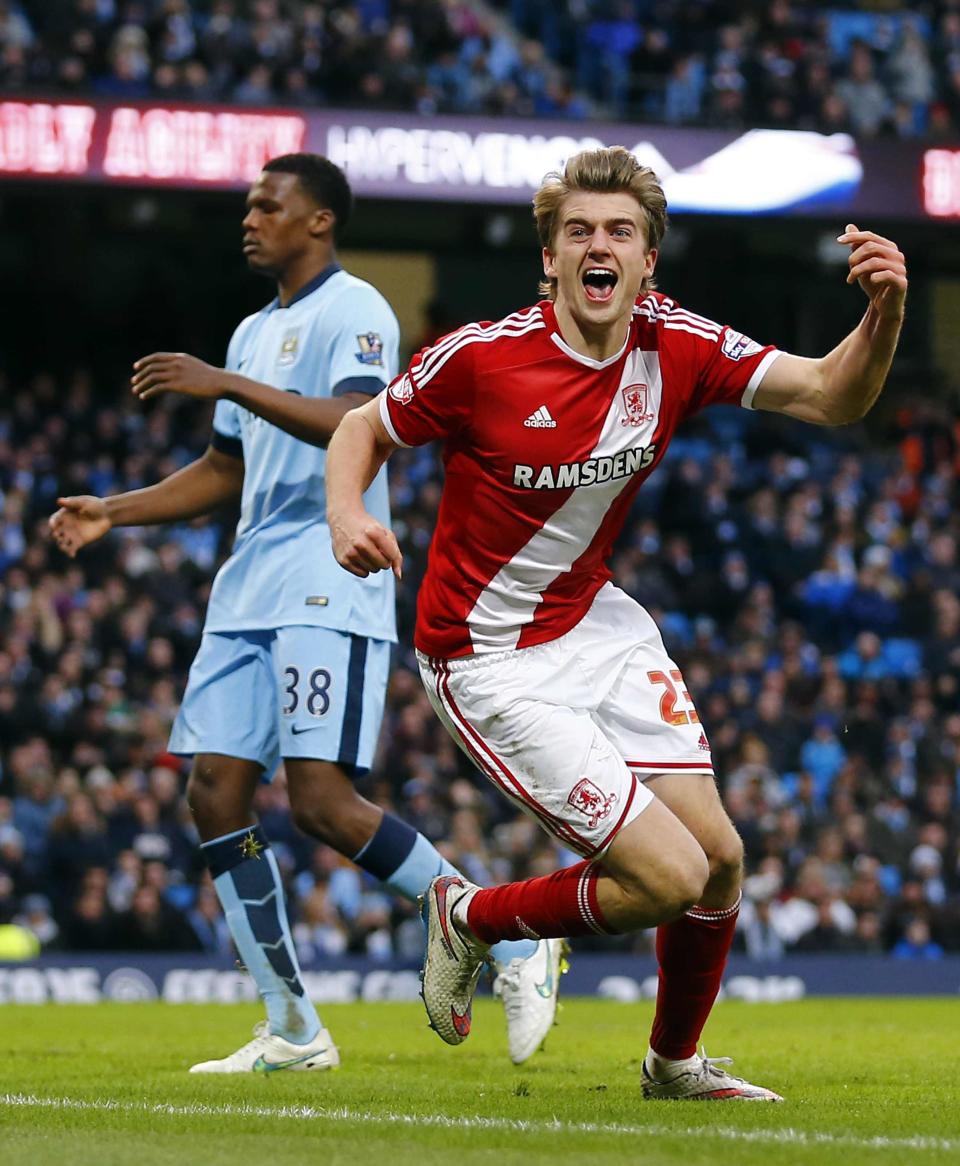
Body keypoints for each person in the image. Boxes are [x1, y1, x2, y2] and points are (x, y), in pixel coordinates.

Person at [326, 146, 908, 1099]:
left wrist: (882, 315)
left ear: (648, 262)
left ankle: (673, 1066)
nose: (601, 246)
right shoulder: (483, 358)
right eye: (580, 231)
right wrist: (350, 513)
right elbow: (364, 429)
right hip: (486, 656)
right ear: (548, 259)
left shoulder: (674, 342)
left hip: (594, 622)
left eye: (621, 232)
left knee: (719, 862)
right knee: (669, 877)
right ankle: (470, 916)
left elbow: (832, 395)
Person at [49, 152, 563, 1074]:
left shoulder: (356, 309)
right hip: (247, 585)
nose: (250, 219)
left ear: (318, 220)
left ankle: (514, 939)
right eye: (249, 205)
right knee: (214, 791)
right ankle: (292, 1028)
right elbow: (223, 472)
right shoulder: (251, 332)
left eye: (268, 205)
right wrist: (113, 510)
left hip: (329, 569)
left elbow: (355, 424)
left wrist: (229, 384)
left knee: (321, 800)